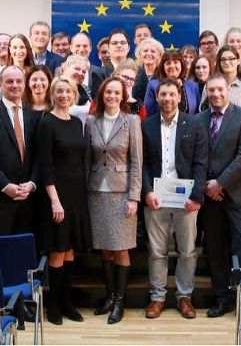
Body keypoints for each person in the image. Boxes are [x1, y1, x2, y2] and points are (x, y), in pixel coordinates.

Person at [141, 78, 208, 320]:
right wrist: (147, 191)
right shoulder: (146, 125)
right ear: (157, 98)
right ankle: (157, 297)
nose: (167, 99)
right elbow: (145, 163)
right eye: (163, 95)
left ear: (179, 97)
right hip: (156, 199)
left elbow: (201, 162)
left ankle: (184, 296)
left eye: (172, 94)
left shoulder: (194, 124)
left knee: (188, 251)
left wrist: (197, 196)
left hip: (186, 200)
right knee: (156, 252)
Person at [198, 73, 241, 317]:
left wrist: (220, 184)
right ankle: (223, 299)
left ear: (228, 90)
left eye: (220, 89)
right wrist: (207, 186)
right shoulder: (198, 119)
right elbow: (194, 157)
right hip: (209, 200)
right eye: (211, 90)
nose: (216, 94)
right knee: (214, 250)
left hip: (237, 197)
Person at [86, 77, 143, 324]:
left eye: (116, 92)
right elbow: (87, 161)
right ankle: (109, 297)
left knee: (121, 247)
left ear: (123, 96)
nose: (111, 96)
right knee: (105, 248)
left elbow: (136, 163)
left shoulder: (131, 121)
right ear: (102, 94)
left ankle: (120, 301)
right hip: (96, 192)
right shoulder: (91, 121)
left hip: (122, 194)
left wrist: (134, 197)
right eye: (108, 92)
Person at [38, 76, 92, 325]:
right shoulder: (47, 122)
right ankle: (54, 306)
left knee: (70, 250)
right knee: (58, 250)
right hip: (56, 195)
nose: (63, 95)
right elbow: (45, 165)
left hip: (76, 195)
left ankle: (68, 302)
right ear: (52, 94)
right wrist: (54, 200)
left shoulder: (76, 122)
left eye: (67, 91)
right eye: (58, 91)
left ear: (73, 94)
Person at [0, 65, 42, 237]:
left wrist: (32, 184)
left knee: (22, 255)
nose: (15, 85)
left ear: (24, 84)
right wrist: (5, 186)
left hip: (27, 200)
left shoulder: (32, 116)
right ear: (1, 85)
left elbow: (38, 155)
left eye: (19, 81)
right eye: (9, 81)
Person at [200, 46, 241, 113]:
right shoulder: (210, 84)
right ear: (219, 62)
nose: (227, 62)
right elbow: (202, 112)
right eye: (223, 59)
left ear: (238, 61)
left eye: (231, 59)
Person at [144, 51, 201, 116]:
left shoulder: (193, 86)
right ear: (163, 67)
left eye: (175, 62)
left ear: (181, 65)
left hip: (190, 125)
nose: (172, 66)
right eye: (168, 63)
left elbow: (198, 114)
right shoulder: (153, 85)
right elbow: (149, 113)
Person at [60, 55, 93, 122]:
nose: (80, 73)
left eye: (84, 71)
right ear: (66, 68)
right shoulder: (57, 88)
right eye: (77, 69)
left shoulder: (85, 89)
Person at [134, 38, 163, 103]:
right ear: (139, 54)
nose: (149, 54)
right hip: (135, 111)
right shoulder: (133, 73)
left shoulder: (164, 74)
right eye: (145, 51)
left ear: (159, 55)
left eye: (153, 51)